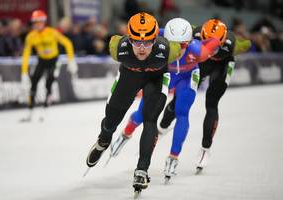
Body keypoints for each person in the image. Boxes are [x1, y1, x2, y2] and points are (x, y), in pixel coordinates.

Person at [108, 18, 221, 181]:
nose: (179, 49)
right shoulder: (159, 36)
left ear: (189, 41)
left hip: (187, 77)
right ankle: (126, 133)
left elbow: (212, 44)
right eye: (174, 44)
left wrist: (218, 38)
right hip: (167, 73)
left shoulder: (197, 50)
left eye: (183, 45)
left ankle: (174, 156)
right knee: (143, 113)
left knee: (182, 111)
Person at [85, 12, 182, 192]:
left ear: (156, 39)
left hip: (156, 78)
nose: (142, 48)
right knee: (111, 121)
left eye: (148, 42)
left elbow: (189, 37)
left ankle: (142, 170)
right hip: (129, 77)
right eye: (136, 41)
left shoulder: (170, 49)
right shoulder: (117, 48)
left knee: (150, 119)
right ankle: (104, 140)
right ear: (128, 39)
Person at [159, 19, 251, 173]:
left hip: (223, 65)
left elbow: (244, 45)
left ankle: (205, 148)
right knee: (180, 98)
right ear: (201, 34)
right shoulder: (195, 33)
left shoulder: (230, 43)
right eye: (205, 39)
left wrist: (247, 42)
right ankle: (162, 126)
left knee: (212, 102)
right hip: (202, 62)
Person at [20, 10, 78, 121]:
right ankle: (30, 111)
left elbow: (67, 43)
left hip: (54, 60)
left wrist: (71, 60)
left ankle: (45, 109)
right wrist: (23, 71)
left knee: (48, 83)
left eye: (39, 22)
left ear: (43, 22)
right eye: (34, 22)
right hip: (41, 60)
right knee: (34, 83)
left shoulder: (52, 32)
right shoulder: (30, 37)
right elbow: (26, 54)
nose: (36, 25)